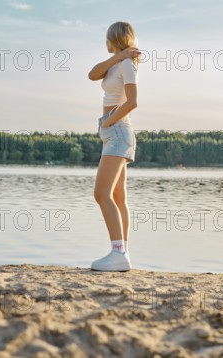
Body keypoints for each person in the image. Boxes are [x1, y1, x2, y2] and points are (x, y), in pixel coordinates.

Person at [88, 21, 142, 272]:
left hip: (118, 129)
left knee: (101, 193)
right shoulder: (118, 64)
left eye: (107, 38)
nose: (105, 43)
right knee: (118, 195)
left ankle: (118, 252)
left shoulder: (128, 65)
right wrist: (118, 56)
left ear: (114, 39)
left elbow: (132, 102)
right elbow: (92, 74)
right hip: (114, 131)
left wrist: (109, 122)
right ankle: (122, 254)